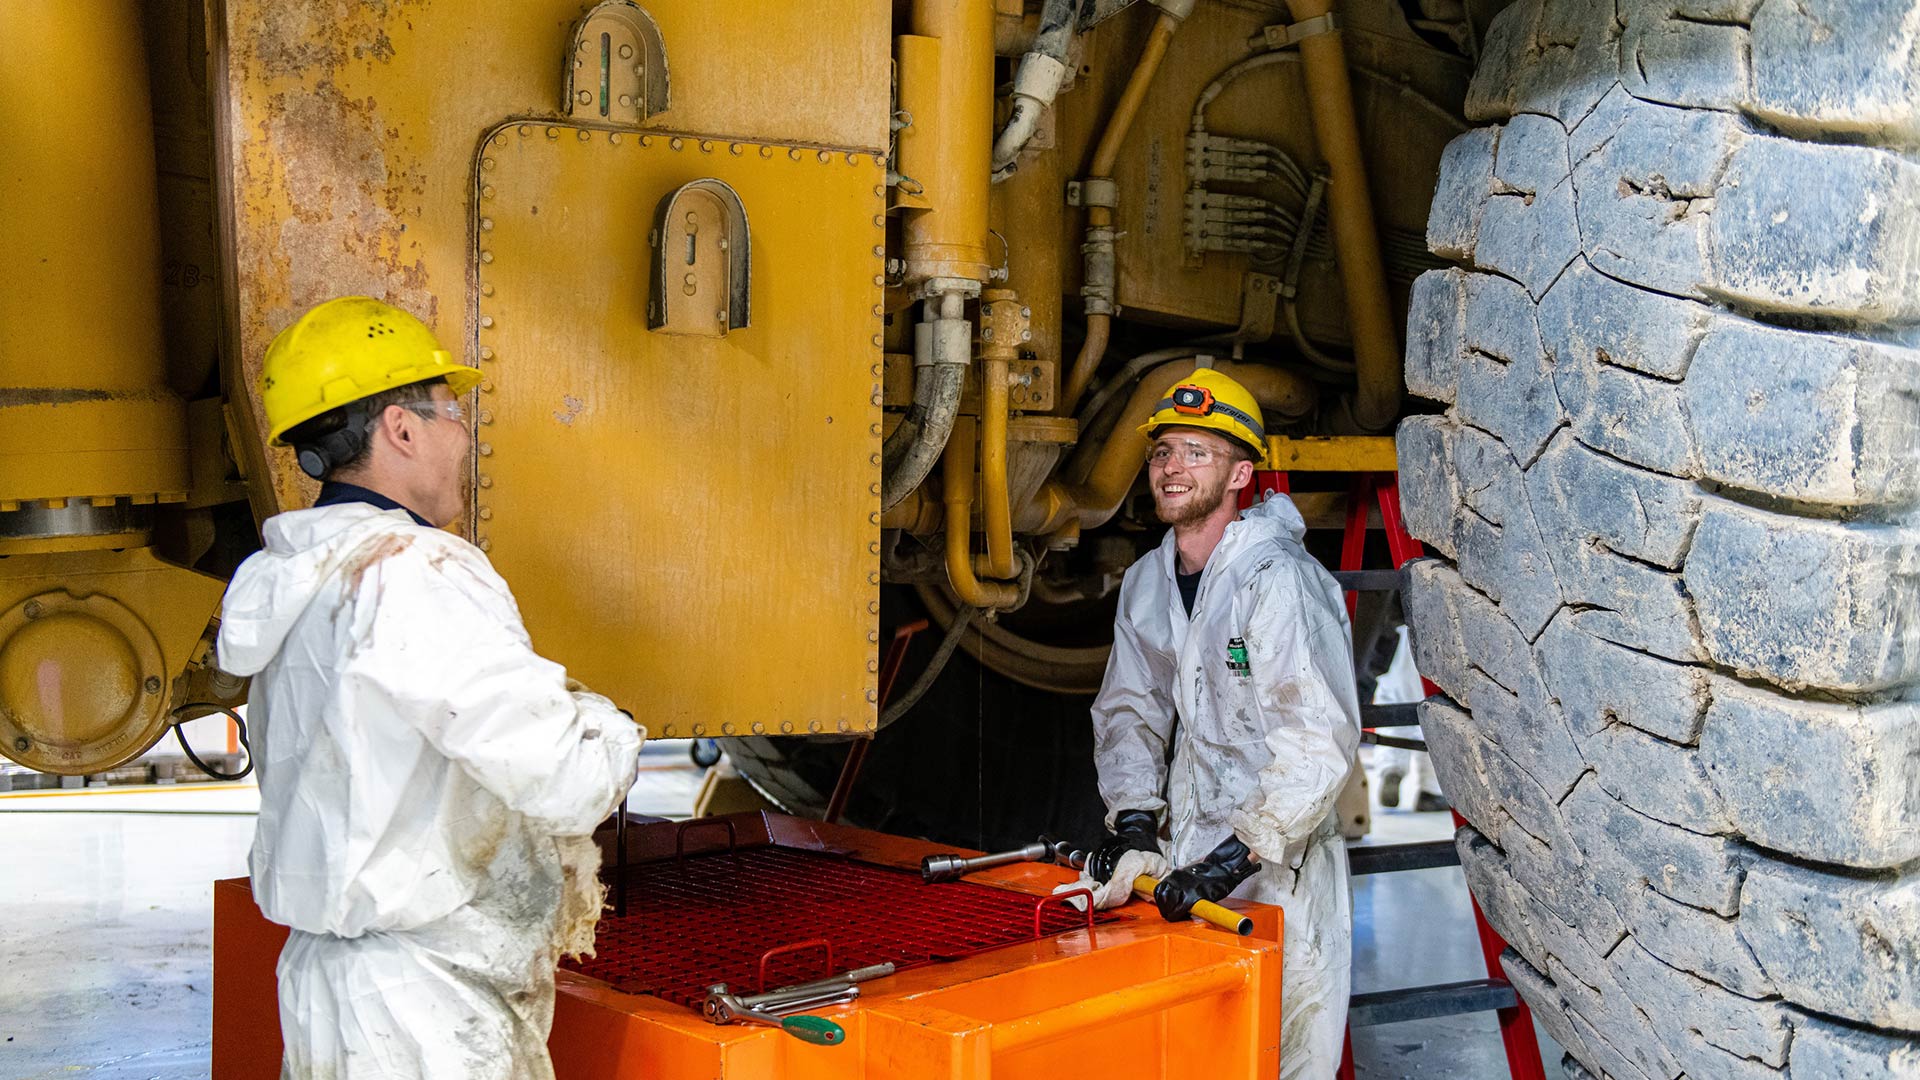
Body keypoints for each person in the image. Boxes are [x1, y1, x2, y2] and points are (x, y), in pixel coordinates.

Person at [216, 296, 643, 1080]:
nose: (463, 435)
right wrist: (610, 726)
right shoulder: (416, 574)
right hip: (424, 1012)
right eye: (450, 412)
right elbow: (566, 779)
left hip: (333, 989)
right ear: (400, 430)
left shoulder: (299, 582)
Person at [1083, 367, 1360, 1079]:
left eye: (1195, 453)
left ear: (1241, 474)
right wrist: (1137, 821)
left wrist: (1236, 858)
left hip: (1280, 872)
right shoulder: (1149, 580)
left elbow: (1317, 738)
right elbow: (1129, 709)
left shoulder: (1278, 581)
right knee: (1199, 1057)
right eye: (1162, 452)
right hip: (1189, 860)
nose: (1172, 468)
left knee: (1286, 1055)